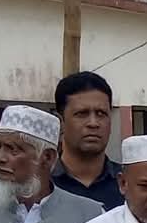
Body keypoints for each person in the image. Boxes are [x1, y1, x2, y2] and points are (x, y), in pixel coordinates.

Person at [53, 70, 123, 210]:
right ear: (60, 122)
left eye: (101, 114)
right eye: (82, 114)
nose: (93, 123)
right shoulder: (41, 185)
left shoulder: (129, 184)